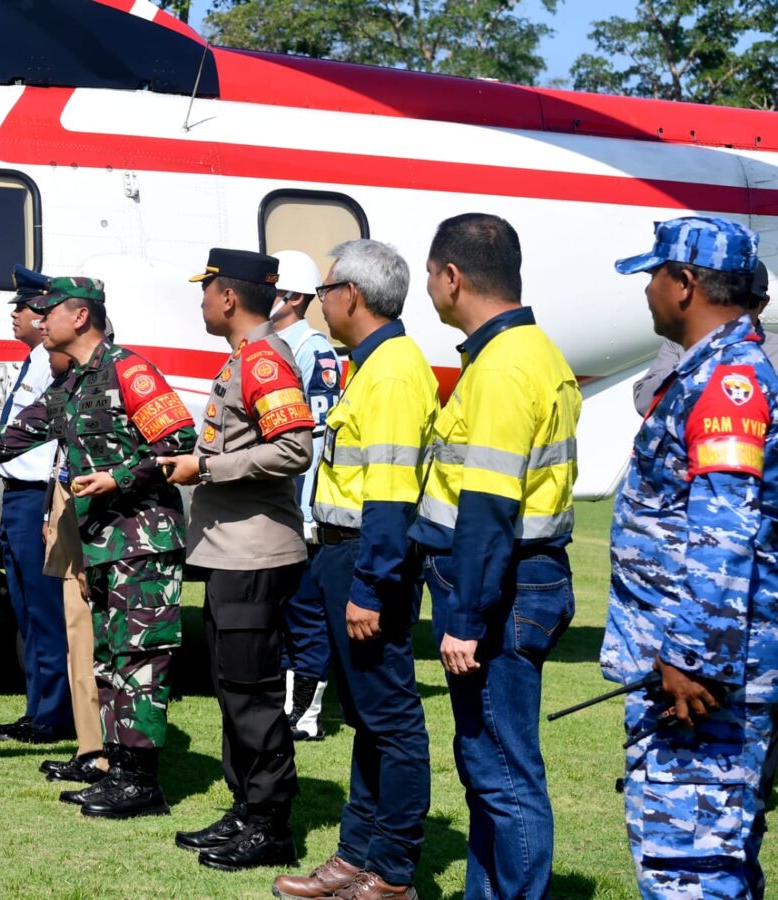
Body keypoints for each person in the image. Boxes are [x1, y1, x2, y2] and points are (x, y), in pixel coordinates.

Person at [0, 276, 196, 819]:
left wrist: (117, 478)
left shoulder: (130, 370)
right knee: (111, 661)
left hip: (143, 542)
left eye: (48, 311)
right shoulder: (74, 385)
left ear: (79, 317)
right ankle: (119, 771)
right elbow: (8, 438)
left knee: (140, 661)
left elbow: (177, 447)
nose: (39, 319)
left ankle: (142, 782)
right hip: (105, 544)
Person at [603, 216, 778, 898]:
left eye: (652, 275)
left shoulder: (727, 384)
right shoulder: (709, 373)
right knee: (715, 860)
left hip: (701, 685)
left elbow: (722, 534)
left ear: (685, 284)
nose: (645, 290)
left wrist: (691, 661)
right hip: (692, 671)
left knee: (690, 869)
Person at [409, 213, 580, 899]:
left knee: (504, 769)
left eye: (429, 274)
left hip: (498, 587)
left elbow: (488, 507)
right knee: (487, 762)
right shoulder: (531, 354)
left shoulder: (504, 368)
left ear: (451, 277)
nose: (427, 287)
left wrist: (466, 616)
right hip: (517, 579)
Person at [274, 240, 436, 900]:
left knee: (392, 723)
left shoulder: (393, 372)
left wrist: (368, 586)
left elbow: (393, 494)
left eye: (327, 289)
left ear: (353, 297)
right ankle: (355, 858)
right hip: (344, 553)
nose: (322, 301)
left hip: (367, 557)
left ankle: (391, 872)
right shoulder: (371, 365)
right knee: (370, 719)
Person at [161, 248, 314, 872]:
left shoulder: (264, 360)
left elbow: (294, 449)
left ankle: (271, 824)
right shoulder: (244, 360)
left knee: (251, 694)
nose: (201, 303)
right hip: (232, 553)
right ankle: (245, 808)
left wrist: (208, 467)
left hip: (256, 553)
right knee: (231, 691)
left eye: (206, 292)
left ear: (228, 297)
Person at [0, 265, 73, 745]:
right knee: (26, 611)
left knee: (43, 612)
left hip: (35, 496)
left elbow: (56, 439)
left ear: (42, 314)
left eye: (21, 306)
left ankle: (54, 714)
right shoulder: (36, 359)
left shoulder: (53, 361)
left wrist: (46, 510)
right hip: (16, 494)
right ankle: (38, 709)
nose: (14, 315)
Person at [269, 249, 341, 742]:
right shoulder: (273, 345)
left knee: (304, 611)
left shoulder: (312, 351)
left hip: (301, 505)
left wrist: (304, 508)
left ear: (293, 297)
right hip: (278, 504)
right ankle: (288, 704)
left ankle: (307, 714)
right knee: (283, 608)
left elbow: (314, 440)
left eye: (270, 288)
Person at [38, 345, 108, 784]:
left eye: (51, 318)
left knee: (92, 648)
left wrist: (87, 553)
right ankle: (89, 749)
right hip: (68, 525)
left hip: (94, 534)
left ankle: (103, 754)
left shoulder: (110, 383)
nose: (46, 337)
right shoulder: (67, 388)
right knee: (76, 643)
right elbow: (57, 460)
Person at [633, 260, 775, 415]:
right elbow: (645, 401)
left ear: (763, 304)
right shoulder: (682, 341)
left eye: (747, 302)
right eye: (729, 301)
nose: (737, 312)